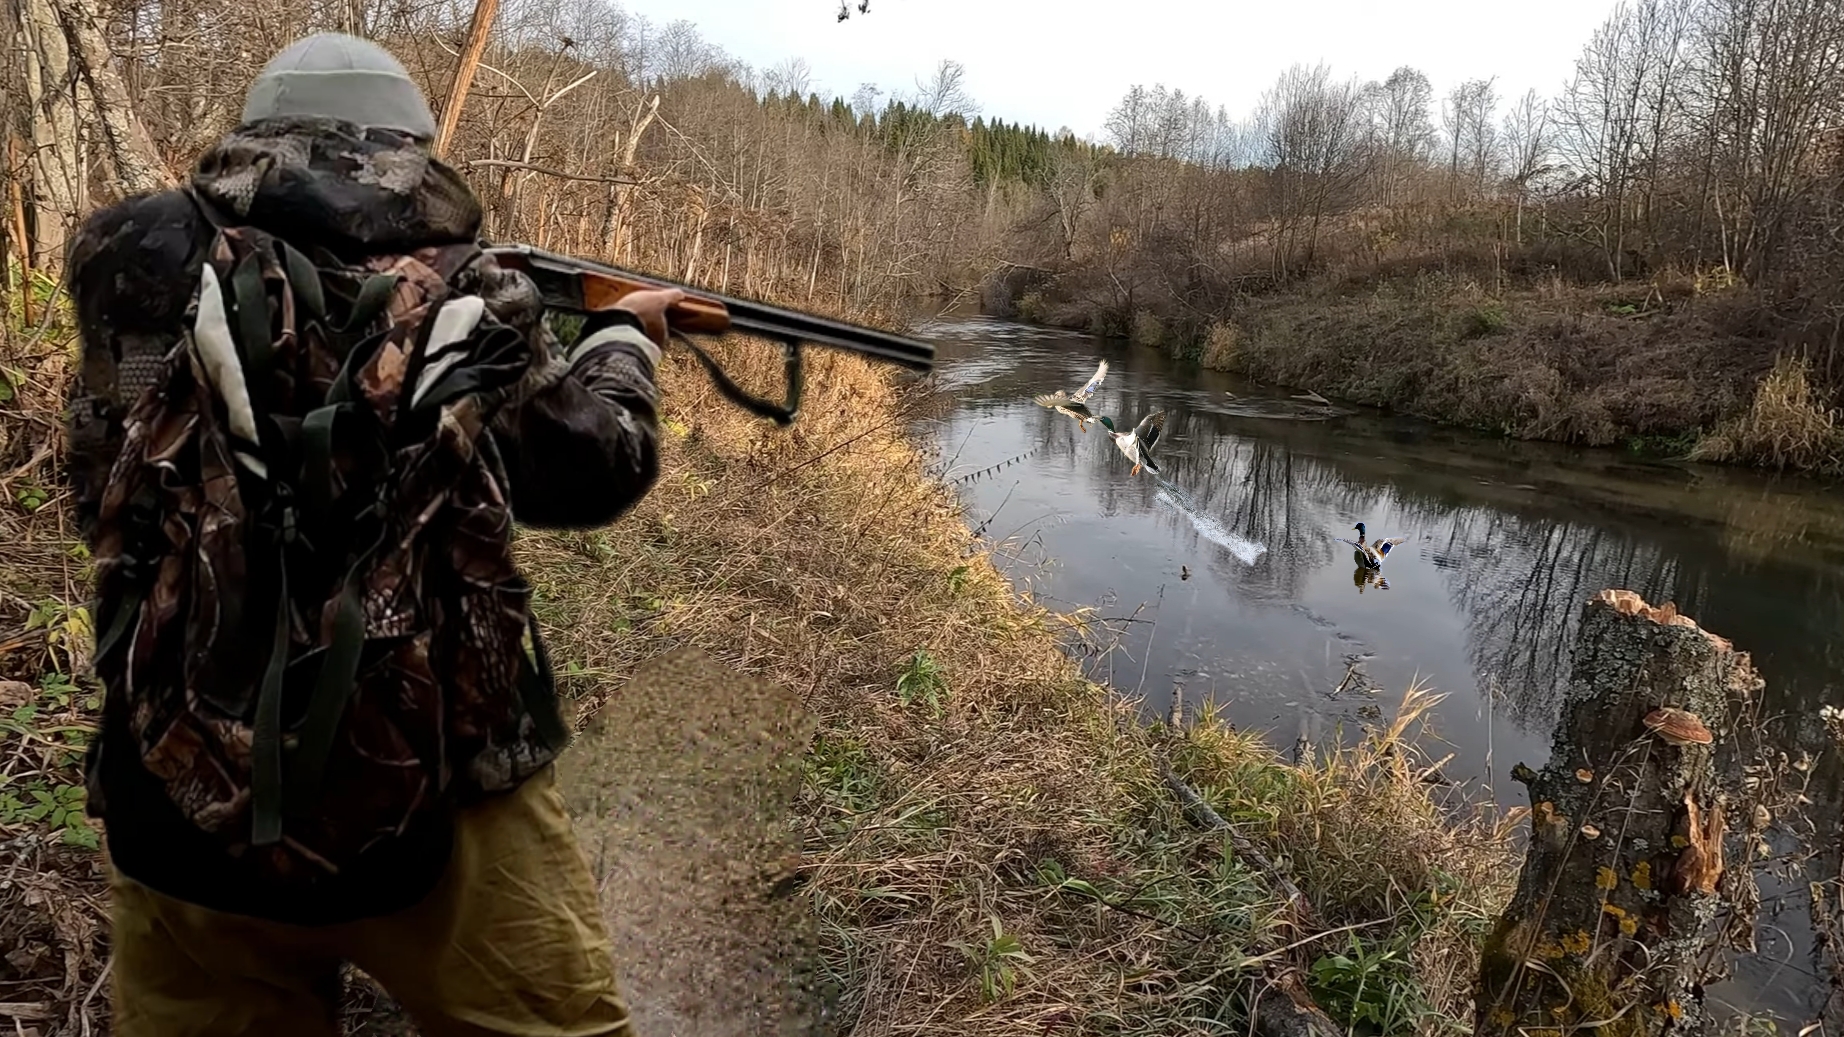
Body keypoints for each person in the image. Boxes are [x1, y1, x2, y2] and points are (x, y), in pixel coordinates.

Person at [64, 33, 674, 1037]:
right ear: (407, 145)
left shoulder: (128, 264)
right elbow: (587, 472)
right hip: (449, 785)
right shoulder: (482, 291)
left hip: (174, 768)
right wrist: (618, 337)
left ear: (256, 130)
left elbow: (103, 479)